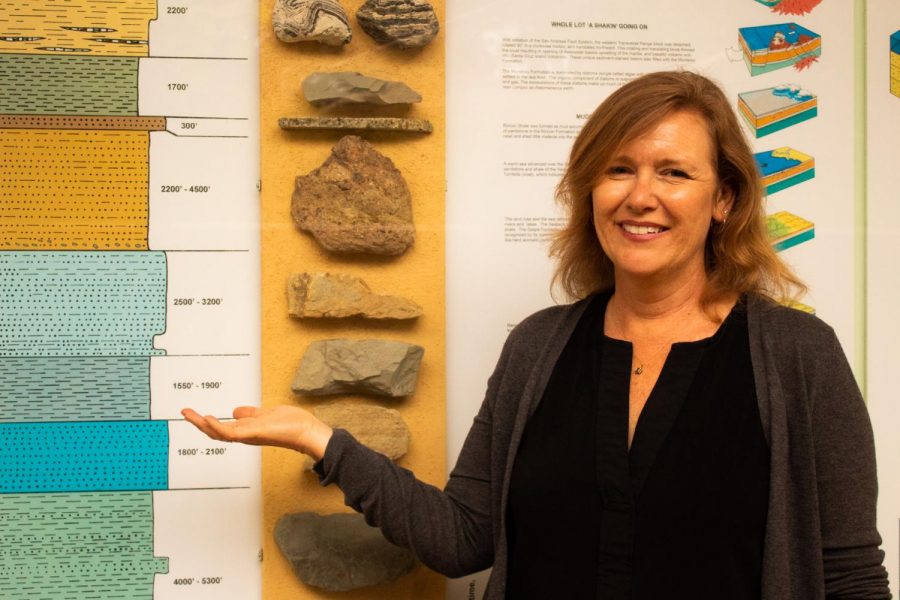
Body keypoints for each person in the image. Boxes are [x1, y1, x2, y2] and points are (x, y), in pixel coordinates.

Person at [182, 71, 890, 599]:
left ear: (723, 199)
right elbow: (463, 539)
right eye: (619, 169)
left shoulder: (798, 357)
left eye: (674, 172)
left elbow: (850, 573)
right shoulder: (539, 347)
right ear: (591, 190)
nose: (640, 195)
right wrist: (323, 442)